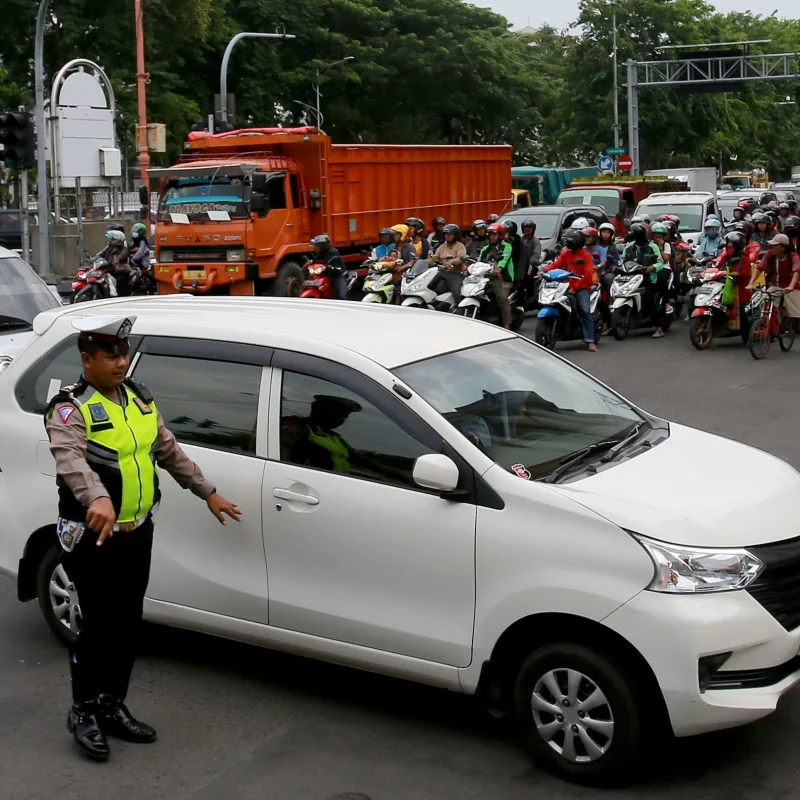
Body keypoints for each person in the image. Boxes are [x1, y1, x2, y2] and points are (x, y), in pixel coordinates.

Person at [45, 316, 240, 761]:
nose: (120, 362)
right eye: (110, 355)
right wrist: (96, 497)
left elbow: (167, 449)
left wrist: (207, 492)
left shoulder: (138, 399)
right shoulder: (69, 408)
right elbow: (70, 459)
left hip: (137, 531)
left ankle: (112, 704)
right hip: (93, 535)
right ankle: (83, 712)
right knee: (97, 626)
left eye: (124, 353)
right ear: (86, 359)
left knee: (127, 623)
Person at [543, 229, 597, 350]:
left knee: (584, 310)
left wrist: (576, 287)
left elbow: (588, 274)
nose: (567, 243)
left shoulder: (586, 256)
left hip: (581, 287)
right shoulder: (566, 253)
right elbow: (556, 265)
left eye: (570, 241)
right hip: (565, 285)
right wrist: (544, 271)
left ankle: (590, 340)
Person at [622, 223, 667, 338]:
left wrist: (652, 268)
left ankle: (659, 328)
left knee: (649, 299)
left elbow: (660, 262)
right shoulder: (628, 247)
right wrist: (617, 266)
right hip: (630, 278)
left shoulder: (653, 247)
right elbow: (621, 260)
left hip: (648, 279)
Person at [479, 223, 515, 329]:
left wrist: (499, 269)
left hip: (503, 278)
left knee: (502, 298)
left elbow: (505, 258)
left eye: (494, 234)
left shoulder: (506, 246)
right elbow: (479, 261)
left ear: (500, 235)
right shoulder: (485, 249)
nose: (492, 237)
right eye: (490, 234)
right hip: (486, 276)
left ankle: (507, 325)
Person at [429, 224, 468, 305]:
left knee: (457, 294)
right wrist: (428, 260)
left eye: (450, 234)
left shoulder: (460, 246)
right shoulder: (442, 247)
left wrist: (451, 262)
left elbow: (461, 258)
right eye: (446, 234)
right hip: (442, 272)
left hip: (455, 273)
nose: (447, 236)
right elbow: (435, 257)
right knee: (428, 286)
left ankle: (460, 310)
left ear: (455, 235)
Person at [309, 234, 347, 299]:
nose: (315, 247)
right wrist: (309, 263)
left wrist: (330, 267)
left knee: (342, 296)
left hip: (337, 275)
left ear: (323, 246)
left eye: (317, 246)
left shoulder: (333, 252)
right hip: (325, 275)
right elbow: (316, 262)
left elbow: (338, 268)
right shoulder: (319, 253)